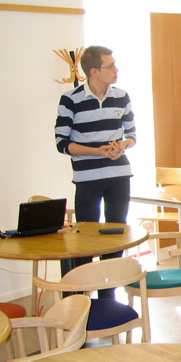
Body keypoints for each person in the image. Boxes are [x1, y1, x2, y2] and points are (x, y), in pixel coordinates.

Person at [55, 46, 136, 298]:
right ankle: (82, 298)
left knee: (116, 234)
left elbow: (132, 135)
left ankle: (108, 295)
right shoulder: (70, 99)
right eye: (110, 66)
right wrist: (97, 152)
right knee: (86, 237)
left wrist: (123, 145)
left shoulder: (121, 96)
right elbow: (62, 143)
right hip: (87, 178)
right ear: (94, 71)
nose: (116, 70)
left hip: (119, 176)